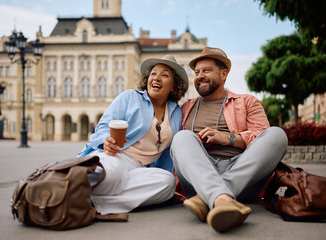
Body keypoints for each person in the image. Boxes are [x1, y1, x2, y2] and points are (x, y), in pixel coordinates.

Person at [170, 47, 288, 233]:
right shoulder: (185, 107)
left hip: (242, 172)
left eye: (206, 70)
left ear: (224, 73)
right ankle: (222, 198)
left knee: (277, 134)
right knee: (182, 137)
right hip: (198, 177)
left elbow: (262, 136)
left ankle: (209, 198)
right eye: (197, 72)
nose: (200, 76)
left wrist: (229, 139)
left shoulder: (246, 101)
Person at [78, 55, 188, 215]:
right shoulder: (130, 97)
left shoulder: (177, 112)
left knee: (166, 182)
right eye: (153, 73)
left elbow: (168, 154)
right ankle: (62, 183)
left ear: (173, 85)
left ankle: (95, 202)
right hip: (116, 156)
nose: (156, 78)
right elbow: (102, 126)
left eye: (164, 75)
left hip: (141, 169)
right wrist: (105, 141)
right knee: (113, 174)